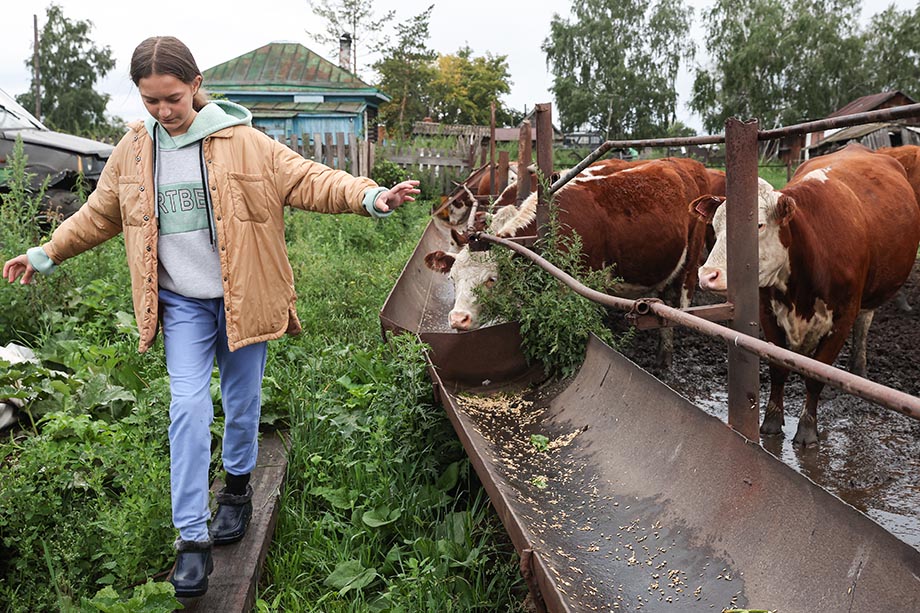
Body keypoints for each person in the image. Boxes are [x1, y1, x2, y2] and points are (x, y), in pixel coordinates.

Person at [2, 36, 419, 599]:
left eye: (172, 98)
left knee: (243, 403)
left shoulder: (243, 141)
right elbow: (100, 212)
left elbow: (308, 178)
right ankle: (192, 540)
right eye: (151, 101)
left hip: (243, 295)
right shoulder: (133, 150)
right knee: (188, 406)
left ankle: (239, 491)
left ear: (195, 86)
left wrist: (370, 196)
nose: (164, 111)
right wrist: (45, 252)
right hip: (180, 306)